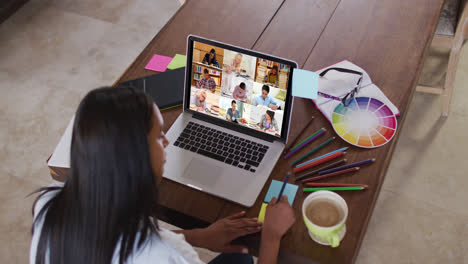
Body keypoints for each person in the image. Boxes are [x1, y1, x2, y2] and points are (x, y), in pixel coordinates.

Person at [30, 86, 295, 264]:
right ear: (136, 158)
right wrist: (271, 237)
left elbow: (122, 239)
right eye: (159, 135)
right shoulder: (165, 256)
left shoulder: (49, 204)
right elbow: (155, 248)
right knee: (245, 257)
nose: (167, 141)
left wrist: (199, 237)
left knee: (238, 257)